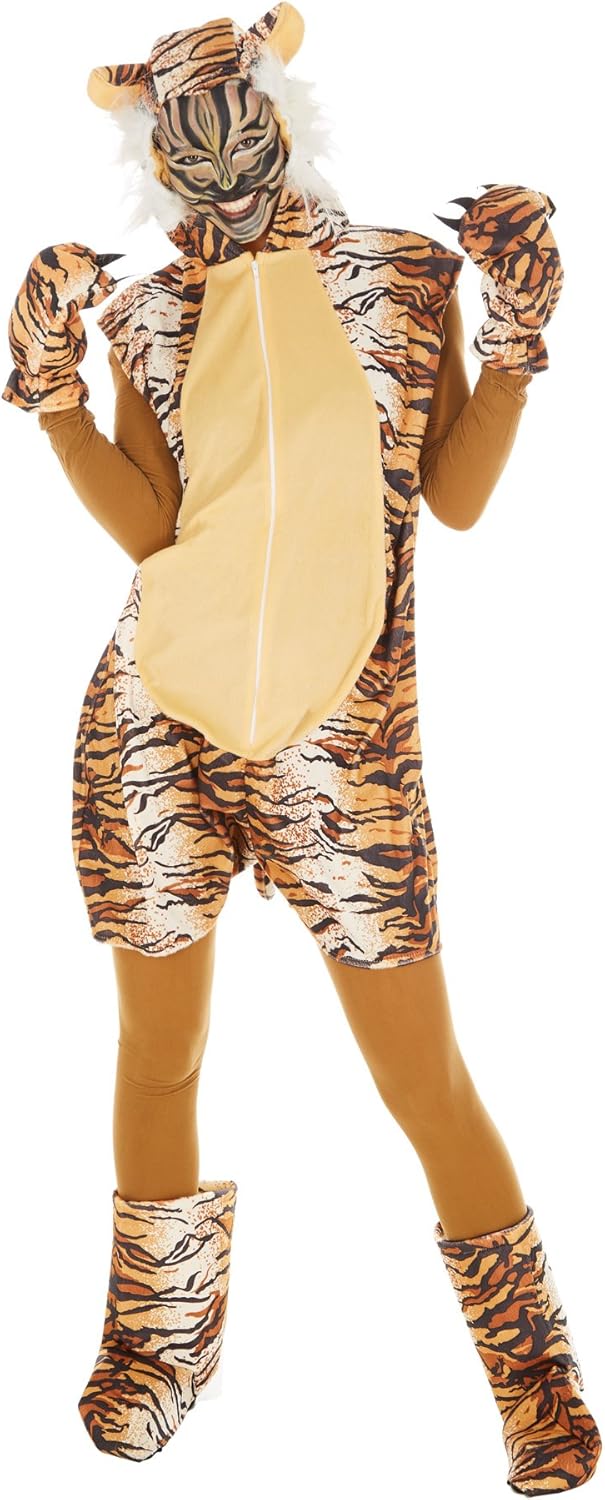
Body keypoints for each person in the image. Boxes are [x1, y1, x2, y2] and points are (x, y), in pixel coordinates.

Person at [3, 4, 602, 1486]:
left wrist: (517, 339)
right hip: (155, 718)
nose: (216, 155)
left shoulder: (404, 275)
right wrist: (53, 395)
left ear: (282, 113)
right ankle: (157, 1352)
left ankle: (533, 1383)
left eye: (237, 118)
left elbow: (453, 498)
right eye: (182, 139)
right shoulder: (148, 314)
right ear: (154, 159)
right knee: (160, 1056)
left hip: (348, 749)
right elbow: (154, 528)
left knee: (423, 1077)